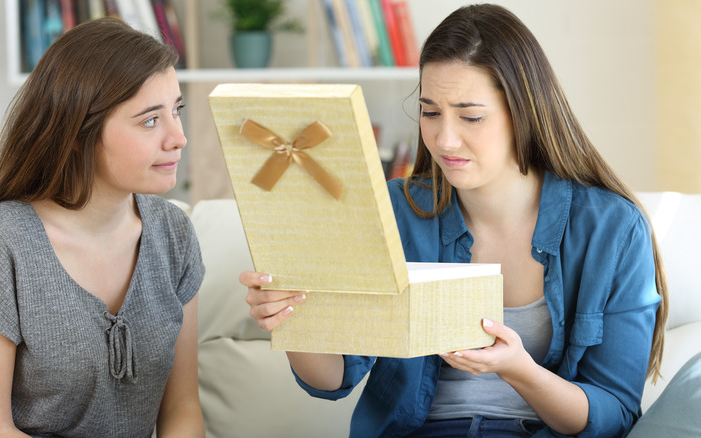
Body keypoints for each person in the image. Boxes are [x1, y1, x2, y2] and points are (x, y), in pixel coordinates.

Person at [240, 4, 668, 437]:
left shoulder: (613, 228)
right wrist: (290, 319)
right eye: (430, 112)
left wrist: (519, 369)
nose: (445, 139)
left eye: (471, 116)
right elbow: (334, 379)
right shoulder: (395, 212)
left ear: (524, 112)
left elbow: (613, 414)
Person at [0, 18, 205, 438]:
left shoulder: (173, 234)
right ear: (77, 131)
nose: (178, 137)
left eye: (176, 111)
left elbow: (182, 410)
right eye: (150, 120)